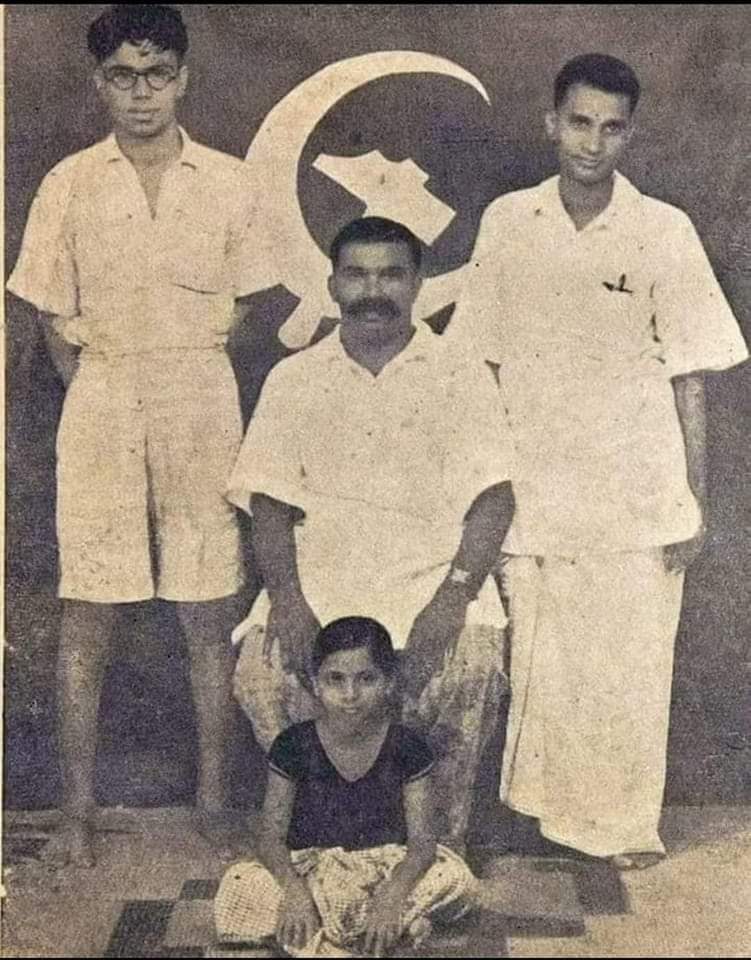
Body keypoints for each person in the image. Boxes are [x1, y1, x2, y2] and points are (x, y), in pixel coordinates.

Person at [450, 53, 748, 867]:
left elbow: (689, 377)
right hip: (533, 488)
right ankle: (541, 820)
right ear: (551, 123)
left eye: (611, 128)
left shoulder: (663, 230)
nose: (591, 142)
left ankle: (619, 828)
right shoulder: (509, 221)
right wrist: (482, 484)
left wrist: (692, 499)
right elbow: (477, 364)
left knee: (626, 666)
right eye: (578, 123)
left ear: (629, 135)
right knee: (541, 665)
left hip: (635, 489)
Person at [6, 4, 263, 865]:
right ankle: (75, 813)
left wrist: (184, 370)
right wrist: (102, 390)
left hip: (200, 395)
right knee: (88, 611)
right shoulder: (69, 184)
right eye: (122, 75)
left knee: (207, 609)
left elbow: (248, 307)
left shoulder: (229, 182)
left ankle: (215, 804)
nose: (141, 93)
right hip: (104, 398)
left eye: (156, 74)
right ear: (99, 83)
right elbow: (51, 319)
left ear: (183, 78)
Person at [227, 216, 516, 851]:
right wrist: (289, 602)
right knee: (263, 675)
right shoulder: (294, 378)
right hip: (322, 583)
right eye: (357, 275)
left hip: (433, 582)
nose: (373, 291)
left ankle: (436, 852)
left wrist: (451, 600)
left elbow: (495, 499)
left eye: (390, 275)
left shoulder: (460, 372)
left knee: (468, 669)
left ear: (417, 285)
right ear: (332, 285)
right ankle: (318, 845)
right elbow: (268, 505)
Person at [214, 616, 478, 958]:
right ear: (315, 683)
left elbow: (422, 845)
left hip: (384, 870)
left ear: (388, 683)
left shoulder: (407, 747)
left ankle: (322, 941)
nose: (350, 695)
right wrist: (295, 894)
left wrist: (392, 896)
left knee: (456, 879)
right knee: (240, 887)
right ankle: (377, 936)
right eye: (335, 679)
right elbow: (270, 839)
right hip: (313, 871)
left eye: (366, 679)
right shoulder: (292, 745)